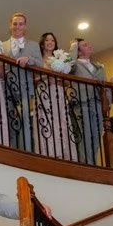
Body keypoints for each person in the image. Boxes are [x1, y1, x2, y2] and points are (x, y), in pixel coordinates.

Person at [0, 13, 41, 151]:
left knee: (25, 120)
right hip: (6, 88)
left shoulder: (33, 45)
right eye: (15, 24)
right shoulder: (2, 45)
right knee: (8, 120)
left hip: (25, 88)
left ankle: (27, 152)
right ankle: (11, 151)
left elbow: (40, 64)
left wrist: (29, 59)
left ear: (25, 27)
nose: (17, 27)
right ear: (10, 25)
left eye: (21, 24)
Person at [35, 32, 75, 160]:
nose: (50, 42)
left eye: (52, 40)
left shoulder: (61, 60)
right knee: (47, 121)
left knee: (61, 120)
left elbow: (67, 82)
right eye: (47, 40)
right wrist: (49, 75)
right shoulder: (39, 60)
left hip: (59, 93)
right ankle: (49, 152)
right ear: (42, 44)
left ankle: (64, 153)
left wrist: (59, 79)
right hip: (45, 93)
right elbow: (34, 78)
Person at [68, 38, 106, 165]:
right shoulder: (75, 64)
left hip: (97, 101)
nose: (89, 46)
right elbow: (69, 64)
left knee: (97, 133)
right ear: (78, 52)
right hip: (82, 102)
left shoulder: (97, 66)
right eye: (85, 45)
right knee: (85, 134)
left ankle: (92, 162)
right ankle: (85, 163)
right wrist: (73, 45)